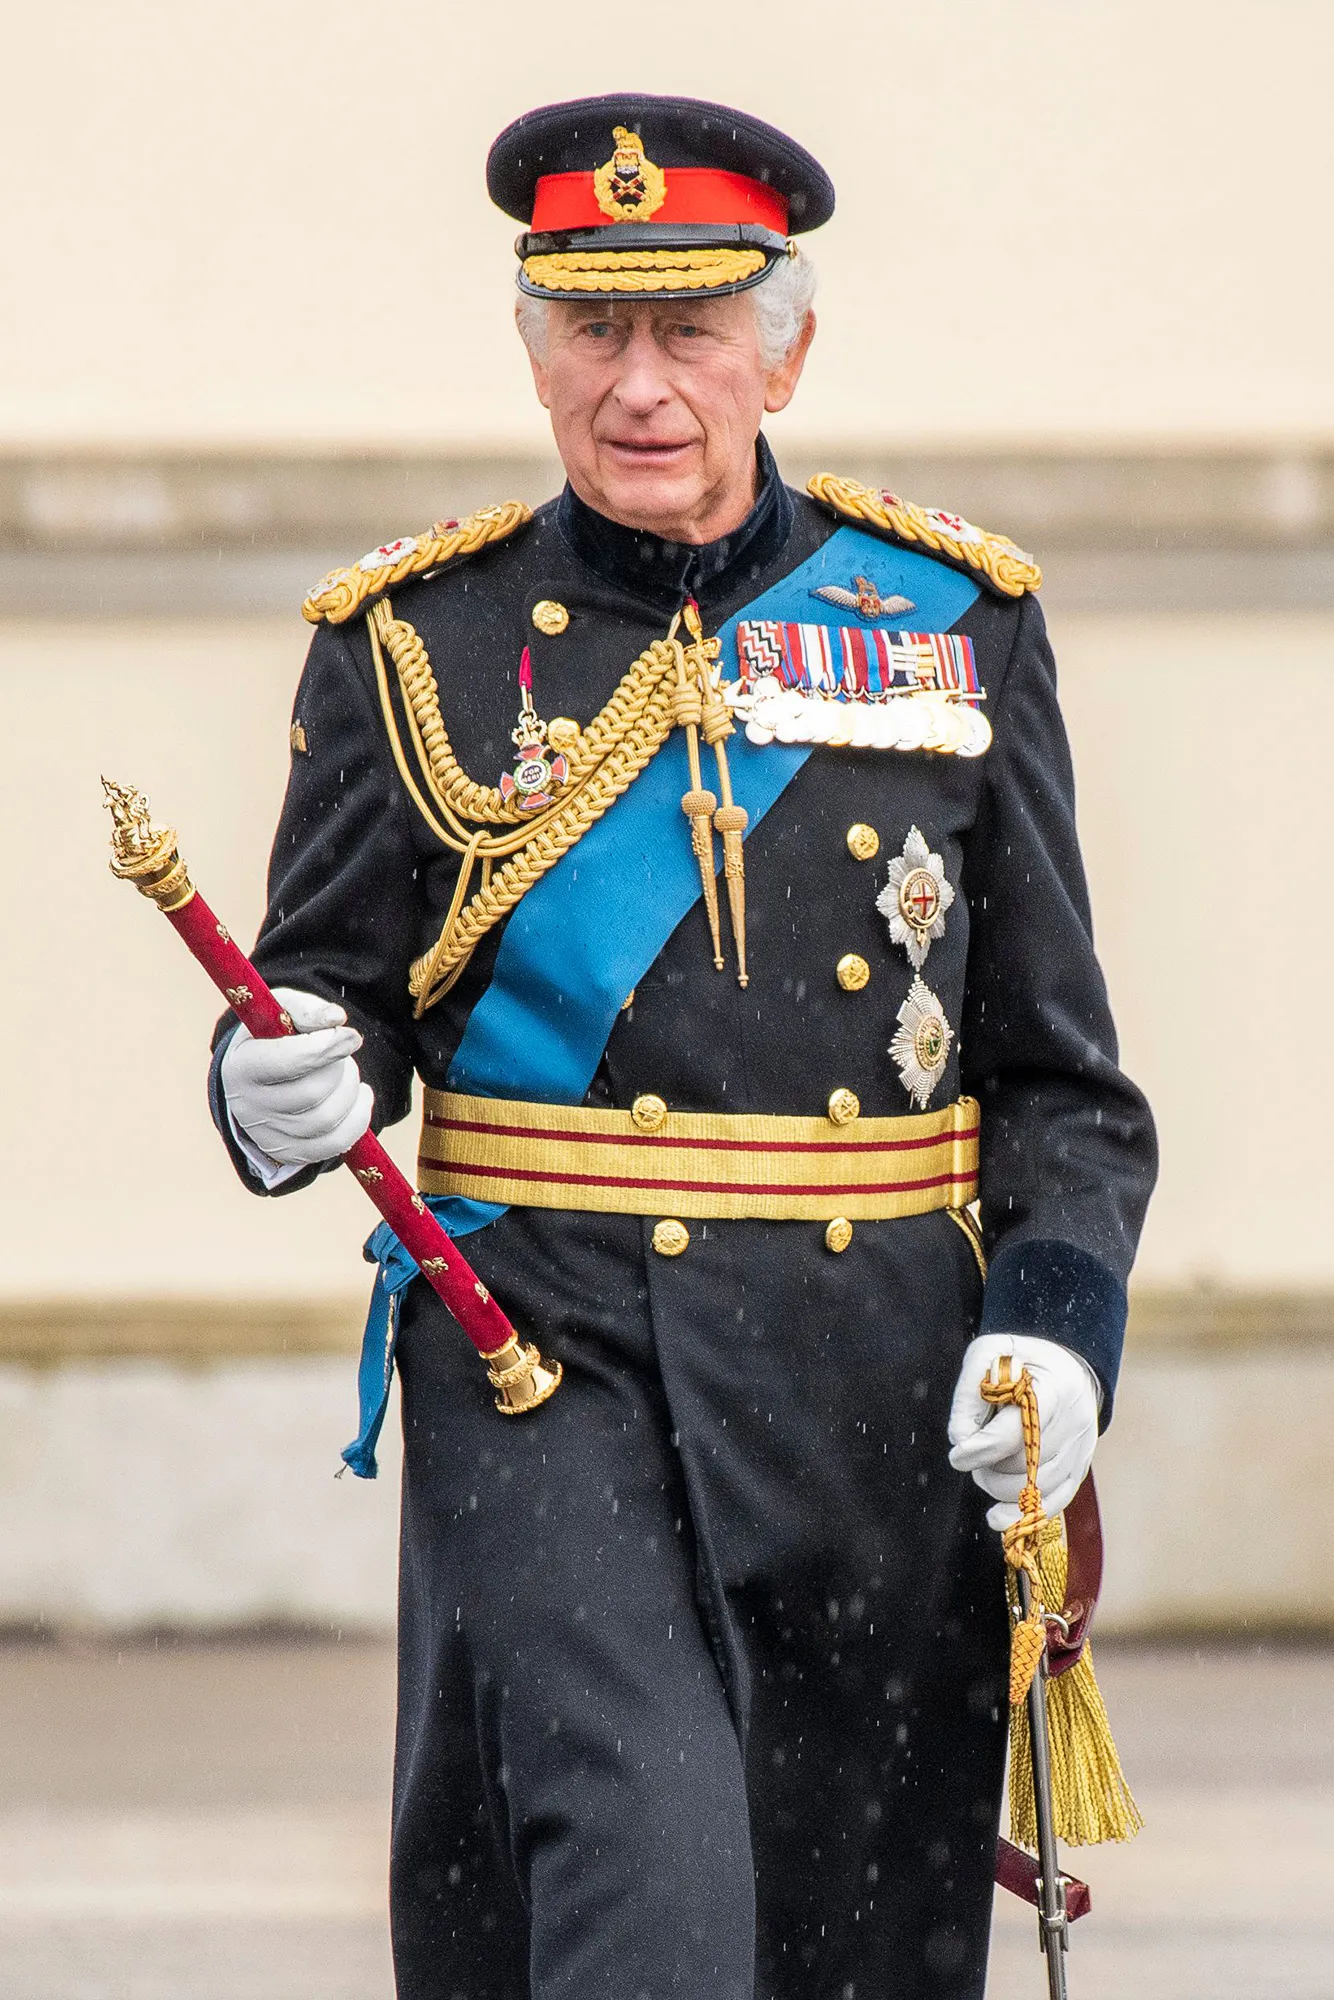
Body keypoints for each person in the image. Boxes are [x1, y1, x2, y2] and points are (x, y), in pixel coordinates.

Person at [211, 93, 1156, 2000]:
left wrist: (1056, 1329)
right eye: (592, 329)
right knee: (642, 1882)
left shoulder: (954, 625)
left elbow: (1058, 1083)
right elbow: (328, 1001)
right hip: (541, 1362)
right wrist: (274, 1086)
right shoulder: (414, 640)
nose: (638, 384)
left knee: (850, 1936)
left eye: (690, 330)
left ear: (781, 353)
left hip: (872, 1378)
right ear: (532, 350)